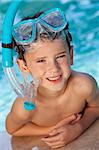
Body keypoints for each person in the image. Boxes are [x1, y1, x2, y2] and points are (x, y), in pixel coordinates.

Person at [6, 8, 99, 149]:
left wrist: (78, 128)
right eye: (41, 61)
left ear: (71, 55)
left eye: (60, 56)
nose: (54, 69)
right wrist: (52, 129)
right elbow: (13, 129)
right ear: (23, 66)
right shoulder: (26, 105)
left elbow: (96, 106)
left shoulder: (84, 85)